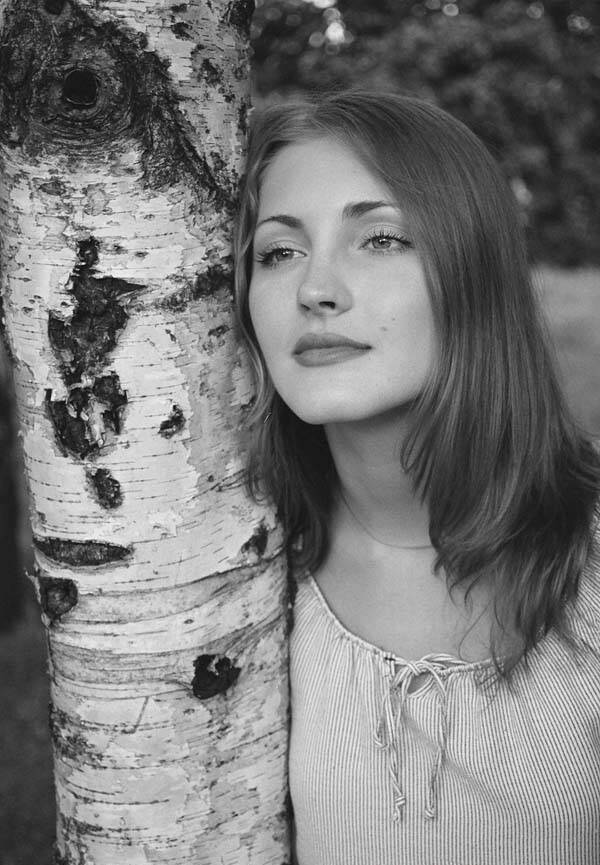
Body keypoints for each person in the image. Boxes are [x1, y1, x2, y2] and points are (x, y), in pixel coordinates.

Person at [233, 91, 600, 865]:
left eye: (381, 238)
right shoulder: (236, 579)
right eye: (278, 252)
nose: (316, 289)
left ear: (473, 270)